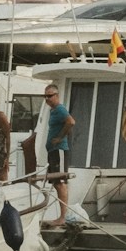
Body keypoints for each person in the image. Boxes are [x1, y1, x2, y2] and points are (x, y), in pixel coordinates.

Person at [42, 83, 75, 221]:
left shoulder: (60, 109)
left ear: (56, 95)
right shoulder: (53, 111)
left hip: (59, 150)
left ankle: (63, 217)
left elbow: (71, 122)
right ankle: (62, 215)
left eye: (49, 96)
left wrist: (60, 137)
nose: (47, 99)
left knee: (60, 182)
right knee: (56, 182)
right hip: (53, 151)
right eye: (45, 96)